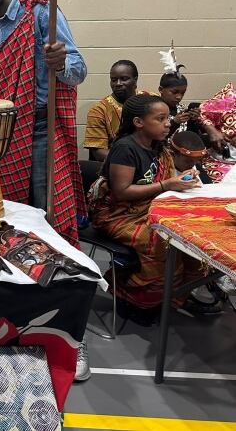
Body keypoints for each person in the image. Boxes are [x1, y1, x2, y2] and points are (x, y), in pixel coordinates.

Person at [0, 0, 87, 244]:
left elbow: (78, 70)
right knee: (11, 215)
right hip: (4, 139)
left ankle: (56, 279)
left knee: (49, 213)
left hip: (43, 131)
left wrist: (60, 63)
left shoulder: (41, 14)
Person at [89, 94, 221, 319]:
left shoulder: (157, 146)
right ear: (139, 122)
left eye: (168, 118)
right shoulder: (125, 148)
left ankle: (175, 294)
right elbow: (122, 192)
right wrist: (167, 184)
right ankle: (133, 297)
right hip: (115, 215)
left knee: (188, 233)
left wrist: (183, 178)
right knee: (164, 240)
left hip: (145, 208)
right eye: (160, 119)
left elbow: (164, 179)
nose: (168, 123)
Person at [83, 60, 140, 161]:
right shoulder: (99, 110)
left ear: (135, 80)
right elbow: (98, 152)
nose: (118, 84)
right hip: (116, 166)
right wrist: (131, 162)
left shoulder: (148, 102)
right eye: (113, 80)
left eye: (124, 79)